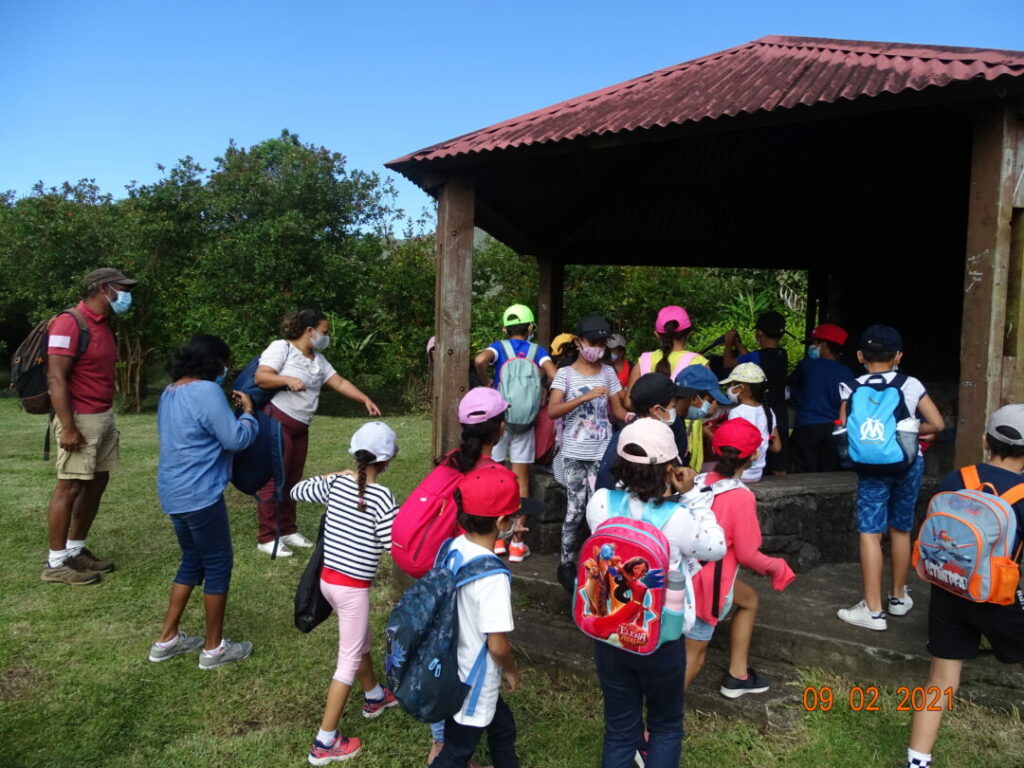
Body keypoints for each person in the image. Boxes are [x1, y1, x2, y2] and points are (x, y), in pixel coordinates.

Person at [585, 418, 727, 768]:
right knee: (664, 726)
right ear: (669, 468)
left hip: (611, 635)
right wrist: (692, 494)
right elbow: (716, 547)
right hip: (660, 638)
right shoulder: (678, 518)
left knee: (619, 730)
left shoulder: (601, 503)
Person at [905, 405, 1024, 768]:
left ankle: (917, 761)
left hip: (949, 591)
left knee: (940, 680)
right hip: (1001, 600)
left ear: (986, 441)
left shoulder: (955, 479)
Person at [291, 422, 401, 765]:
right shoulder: (383, 497)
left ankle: (373, 696)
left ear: (354, 454)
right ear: (389, 460)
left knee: (359, 639)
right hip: (352, 589)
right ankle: (325, 742)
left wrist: (331, 476)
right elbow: (393, 546)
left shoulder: (336, 484)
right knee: (348, 660)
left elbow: (297, 491)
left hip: (329, 582)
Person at [149, 334, 259, 668]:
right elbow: (235, 439)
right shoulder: (206, 390)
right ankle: (214, 648)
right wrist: (249, 414)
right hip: (200, 496)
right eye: (225, 361)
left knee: (191, 562)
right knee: (217, 564)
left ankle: (167, 639)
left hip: (173, 492)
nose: (227, 368)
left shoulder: (170, 391)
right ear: (213, 362)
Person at [837, 325, 945, 631]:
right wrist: (906, 430)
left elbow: (847, 427)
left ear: (860, 356)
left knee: (870, 532)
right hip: (909, 463)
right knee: (901, 527)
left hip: (870, 466)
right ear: (898, 356)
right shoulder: (910, 384)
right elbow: (936, 423)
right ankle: (898, 598)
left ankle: (872, 611)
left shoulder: (851, 386)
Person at [253, 309, 381, 558]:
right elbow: (261, 377)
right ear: (309, 331)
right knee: (274, 480)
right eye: (324, 331)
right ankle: (268, 537)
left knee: (292, 478)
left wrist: (364, 399)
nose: (326, 336)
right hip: (278, 422)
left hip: (301, 427)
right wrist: (287, 379)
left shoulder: (318, 359)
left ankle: (288, 529)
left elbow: (340, 382)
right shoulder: (282, 348)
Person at [683, 418, 796, 698]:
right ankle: (654, 726)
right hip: (707, 585)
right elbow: (747, 554)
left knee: (749, 600)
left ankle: (738, 674)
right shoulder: (741, 497)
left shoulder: (696, 481)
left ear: (715, 448)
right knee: (693, 658)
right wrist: (777, 567)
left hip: (682, 573)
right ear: (755, 455)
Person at [42, 267, 137, 585]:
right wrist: (68, 426)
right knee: (69, 486)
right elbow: (56, 377)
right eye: (122, 288)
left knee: (96, 482)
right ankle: (56, 562)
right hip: (79, 417)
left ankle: (75, 548)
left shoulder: (104, 324)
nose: (126, 295)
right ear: (104, 289)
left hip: (103, 415)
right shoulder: (70, 322)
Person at [432, 465, 525, 768]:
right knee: (457, 751)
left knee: (503, 726)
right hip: (475, 678)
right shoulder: (493, 576)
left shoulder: (454, 547)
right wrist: (511, 670)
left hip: (450, 666)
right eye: (513, 517)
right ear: (502, 521)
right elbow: (497, 645)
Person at [548, 315, 628, 590]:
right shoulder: (565, 374)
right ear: (579, 342)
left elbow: (617, 409)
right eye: (593, 342)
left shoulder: (608, 372)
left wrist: (631, 418)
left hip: (601, 453)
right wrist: (584, 396)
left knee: (600, 510)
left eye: (602, 343)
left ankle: (600, 563)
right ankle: (566, 563)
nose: (599, 348)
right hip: (573, 451)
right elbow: (552, 410)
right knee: (575, 509)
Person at [473, 304, 556, 561]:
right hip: (526, 421)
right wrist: (540, 391)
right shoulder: (537, 351)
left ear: (504, 328)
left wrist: (486, 381)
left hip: (501, 419)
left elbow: (479, 360)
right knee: (521, 480)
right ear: (531, 327)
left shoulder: (499, 348)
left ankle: (498, 538)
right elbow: (554, 374)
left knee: (495, 474)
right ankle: (518, 544)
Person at [594, 373, 696, 491]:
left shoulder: (666, 430)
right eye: (672, 406)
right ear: (657, 410)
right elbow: (606, 484)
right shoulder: (625, 441)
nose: (674, 410)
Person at [723, 311, 790, 475]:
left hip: (759, 406)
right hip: (778, 410)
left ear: (759, 332)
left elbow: (729, 363)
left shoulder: (758, 357)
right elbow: (751, 359)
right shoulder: (781, 354)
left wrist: (729, 343)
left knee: (753, 448)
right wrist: (738, 344)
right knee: (779, 459)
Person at [788, 323, 855, 473]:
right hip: (834, 428)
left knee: (803, 472)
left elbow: (790, 384)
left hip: (807, 426)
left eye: (814, 343)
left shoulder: (806, 365)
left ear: (823, 345)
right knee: (830, 472)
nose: (811, 347)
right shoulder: (847, 373)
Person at [624, 305, 709, 411]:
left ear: (657, 335)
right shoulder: (699, 362)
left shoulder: (643, 361)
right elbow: (706, 404)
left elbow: (628, 403)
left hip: (649, 425)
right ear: (689, 333)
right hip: (685, 427)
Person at [719, 363, 781, 483]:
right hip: (757, 474)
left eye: (731, 385)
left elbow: (731, 449)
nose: (729, 389)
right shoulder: (768, 411)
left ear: (741, 388)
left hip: (740, 474)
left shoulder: (737, 412)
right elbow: (777, 447)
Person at [675, 365, 730, 473]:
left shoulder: (678, 421)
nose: (712, 405)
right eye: (710, 401)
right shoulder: (673, 428)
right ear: (693, 398)